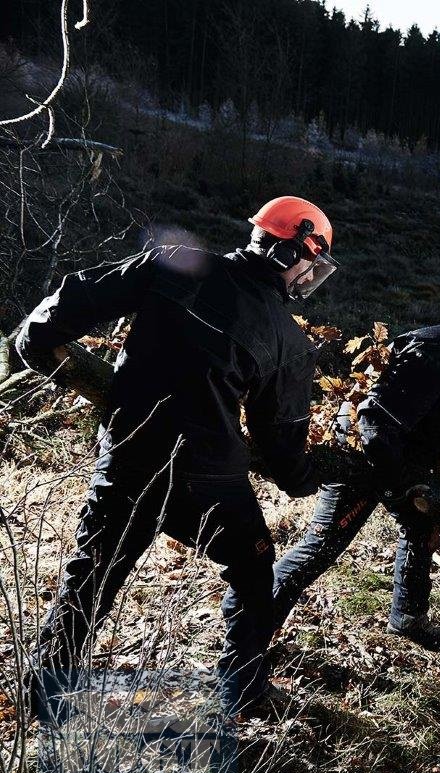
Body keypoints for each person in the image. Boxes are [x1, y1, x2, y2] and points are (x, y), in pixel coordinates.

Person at [16, 196, 339, 718]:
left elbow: (78, 295)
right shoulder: (287, 340)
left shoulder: (173, 263)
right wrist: (307, 478)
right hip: (208, 480)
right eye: (310, 260)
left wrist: (35, 340)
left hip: (128, 454)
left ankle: (43, 695)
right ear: (293, 253)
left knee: (93, 573)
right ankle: (243, 693)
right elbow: (283, 450)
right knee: (255, 571)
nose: (308, 275)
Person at [270, 294, 440, 647]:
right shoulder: (437, 355)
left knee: (421, 525)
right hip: (364, 459)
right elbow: (375, 423)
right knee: (321, 548)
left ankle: (408, 619)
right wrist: (400, 487)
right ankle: (252, 619)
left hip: (395, 456)